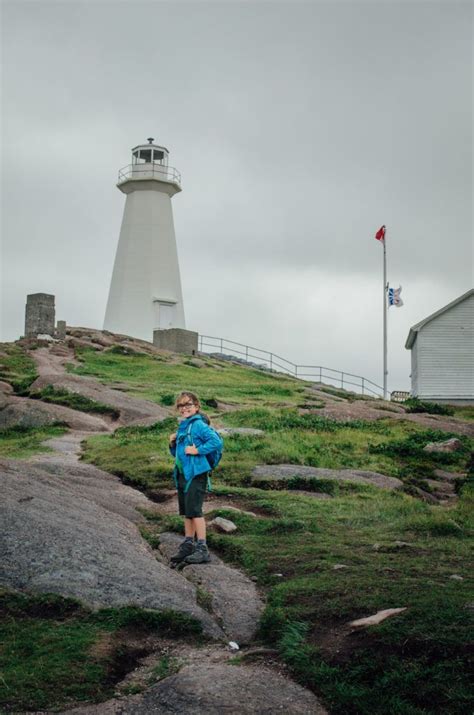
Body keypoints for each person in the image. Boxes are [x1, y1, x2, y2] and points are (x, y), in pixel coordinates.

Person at [168, 391, 221, 566]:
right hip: (184, 474)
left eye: (188, 405)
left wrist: (198, 451)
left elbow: (216, 442)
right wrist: (173, 444)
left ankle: (202, 548)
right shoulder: (184, 426)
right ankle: (188, 543)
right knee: (187, 511)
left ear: (196, 407)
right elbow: (178, 454)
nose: (184, 409)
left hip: (197, 474)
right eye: (181, 406)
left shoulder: (198, 425)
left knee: (195, 511)